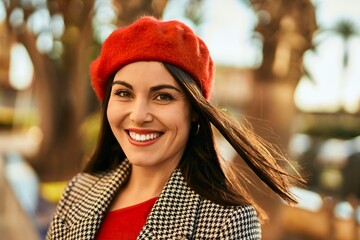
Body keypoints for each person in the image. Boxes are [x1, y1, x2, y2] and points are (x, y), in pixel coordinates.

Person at [46, 16, 302, 240]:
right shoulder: (79, 191)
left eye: (163, 96)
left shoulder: (228, 222)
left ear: (193, 111)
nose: (139, 115)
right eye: (124, 93)